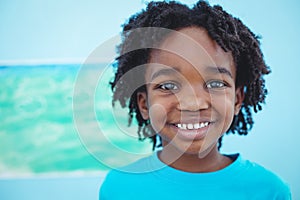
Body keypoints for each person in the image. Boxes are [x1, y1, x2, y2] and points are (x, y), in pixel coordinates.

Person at [99, 1, 291, 199]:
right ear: (144, 104)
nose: (193, 104)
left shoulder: (269, 191)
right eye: (168, 86)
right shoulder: (120, 187)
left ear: (237, 99)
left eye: (216, 84)